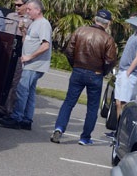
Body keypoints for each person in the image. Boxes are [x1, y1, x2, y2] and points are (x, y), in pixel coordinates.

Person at [50, 9, 117, 145]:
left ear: (94, 18)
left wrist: (74, 65)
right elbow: (110, 61)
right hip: (95, 73)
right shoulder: (108, 39)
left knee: (69, 102)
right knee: (92, 107)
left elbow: (69, 51)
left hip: (78, 70)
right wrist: (102, 71)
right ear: (108, 23)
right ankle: (85, 137)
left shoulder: (80, 31)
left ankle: (59, 128)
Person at [0, 0, 52, 131]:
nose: (27, 12)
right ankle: (26, 119)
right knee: (29, 92)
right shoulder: (34, 23)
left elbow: (45, 45)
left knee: (22, 90)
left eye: (29, 9)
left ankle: (17, 118)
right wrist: (23, 31)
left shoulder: (43, 24)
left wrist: (30, 56)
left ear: (38, 10)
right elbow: (27, 41)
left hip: (34, 64)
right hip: (29, 63)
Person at [0, 0, 30, 119]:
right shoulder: (10, 16)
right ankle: (2, 108)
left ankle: (10, 111)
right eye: (15, 5)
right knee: (3, 80)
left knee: (15, 83)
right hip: (6, 53)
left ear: (26, 5)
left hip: (19, 55)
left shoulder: (30, 20)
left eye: (19, 5)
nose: (17, 8)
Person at [111, 24, 137, 129]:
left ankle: (123, 130)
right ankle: (117, 130)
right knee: (118, 102)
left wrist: (128, 72)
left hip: (128, 73)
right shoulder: (133, 35)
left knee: (123, 103)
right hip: (122, 71)